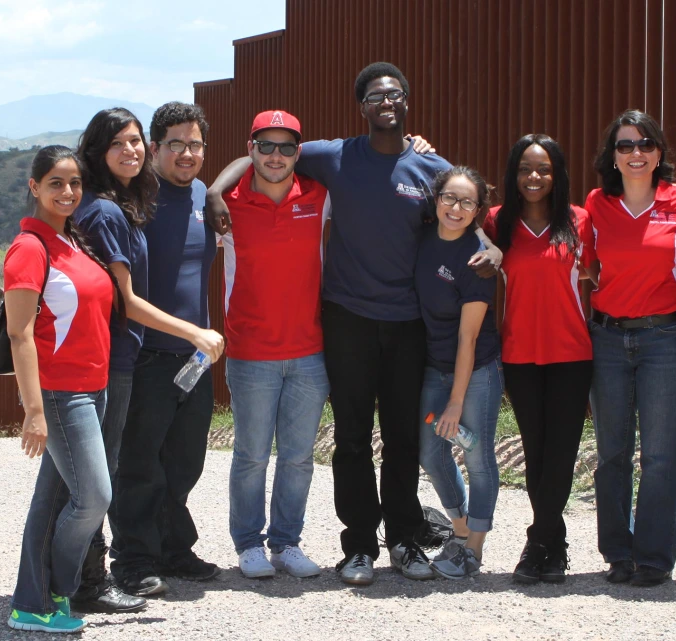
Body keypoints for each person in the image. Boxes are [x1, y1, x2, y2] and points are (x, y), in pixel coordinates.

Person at [205, 62, 501, 586]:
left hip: (407, 323)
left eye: (394, 94)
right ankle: (359, 546)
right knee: (352, 439)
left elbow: (467, 206)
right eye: (374, 96)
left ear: (406, 102)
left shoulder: (430, 167)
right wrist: (213, 192)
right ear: (362, 106)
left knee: (404, 439)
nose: (385, 102)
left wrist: (491, 246)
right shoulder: (333, 155)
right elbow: (256, 155)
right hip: (346, 320)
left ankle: (406, 542)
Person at [70, 107, 224, 611]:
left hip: (194, 361)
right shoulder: (138, 199)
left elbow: (253, 160)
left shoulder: (204, 196)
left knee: (184, 463)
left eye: (195, 144)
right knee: (140, 466)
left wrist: (219, 189)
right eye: (174, 143)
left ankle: (173, 548)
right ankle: (133, 562)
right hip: (148, 356)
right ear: (155, 149)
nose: (186, 153)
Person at [5, 145, 118, 633]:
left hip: (93, 389)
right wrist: (34, 410)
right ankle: (57, 589)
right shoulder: (30, 248)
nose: (68, 192)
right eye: (56, 183)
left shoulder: (71, 241)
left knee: (52, 503)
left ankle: (31, 603)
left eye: (75, 183)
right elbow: (19, 333)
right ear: (35, 187)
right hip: (60, 393)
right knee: (94, 498)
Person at [584, 110, 676, 587]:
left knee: (661, 455)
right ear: (612, 155)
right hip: (607, 338)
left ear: (659, 153)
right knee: (611, 452)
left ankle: (653, 557)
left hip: (665, 339)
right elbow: (586, 264)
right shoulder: (597, 203)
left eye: (645, 144)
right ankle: (618, 552)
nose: (635, 153)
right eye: (625, 146)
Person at [220, 110, 330, 580]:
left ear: (298, 153)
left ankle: (286, 542)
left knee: (299, 456)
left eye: (287, 147)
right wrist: (212, 188)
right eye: (266, 145)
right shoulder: (225, 204)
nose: (276, 156)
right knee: (250, 455)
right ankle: (249, 544)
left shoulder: (322, 197)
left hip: (310, 350)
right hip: (250, 351)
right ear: (250, 150)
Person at [483, 134, 593, 584]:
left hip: (571, 352)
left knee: (561, 454)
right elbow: (450, 211)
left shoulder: (578, 220)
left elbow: (597, 274)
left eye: (544, 169)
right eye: (525, 169)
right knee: (536, 452)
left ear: (557, 174)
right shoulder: (496, 223)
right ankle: (553, 543)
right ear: (513, 175)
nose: (534, 177)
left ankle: (539, 543)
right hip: (520, 353)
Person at [415, 166, 502, 580]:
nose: (456, 207)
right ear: (436, 199)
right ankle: (461, 527)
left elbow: (469, 338)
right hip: (434, 366)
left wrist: (455, 402)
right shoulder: (422, 239)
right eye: (450, 197)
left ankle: (475, 548)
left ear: (478, 210)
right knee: (431, 452)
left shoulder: (478, 261)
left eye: (468, 202)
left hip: (477, 370)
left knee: (478, 456)